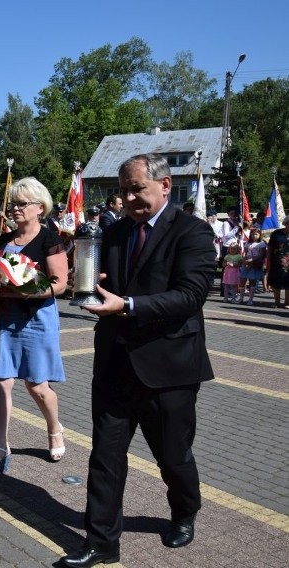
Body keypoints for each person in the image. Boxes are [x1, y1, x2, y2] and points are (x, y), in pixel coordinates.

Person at [63, 154, 215, 567]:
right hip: (115, 364)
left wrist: (127, 304)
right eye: (123, 190)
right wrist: (89, 287)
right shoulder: (113, 235)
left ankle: (184, 512)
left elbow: (190, 296)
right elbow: (100, 287)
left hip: (169, 369)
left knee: (173, 455)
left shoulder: (192, 233)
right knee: (105, 457)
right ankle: (101, 543)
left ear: (165, 185)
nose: (128, 198)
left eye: (137, 189)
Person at [0, 177, 69, 478]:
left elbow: (60, 283)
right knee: (0, 382)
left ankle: (55, 428)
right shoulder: (4, 241)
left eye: (22, 204)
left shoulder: (49, 240)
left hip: (36, 319)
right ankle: (0, 447)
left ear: (39, 208)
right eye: (13, 204)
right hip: (3, 318)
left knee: (37, 386)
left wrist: (24, 290)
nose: (15, 209)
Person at [266, 216, 289, 308]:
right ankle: (277, 302)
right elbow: (270, 248)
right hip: (276, 262)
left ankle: (287, 302)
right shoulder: (276, 233)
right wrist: (268, 260)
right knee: (275, 282)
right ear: (286, 224)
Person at [240, 227, 266, 305]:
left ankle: (250, 299)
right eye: (252, 234)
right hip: (246, 263)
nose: (254, 236)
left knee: (252, 281)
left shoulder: (261, 243)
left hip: (254, 263)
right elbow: (244, 252)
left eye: (256, 234)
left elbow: (261, 255)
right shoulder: (248, 243)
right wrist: (244, 259)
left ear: (259, 235)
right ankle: (241, 298)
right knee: (243, 280)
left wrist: (251, 260)